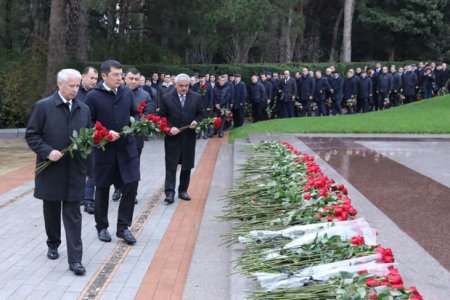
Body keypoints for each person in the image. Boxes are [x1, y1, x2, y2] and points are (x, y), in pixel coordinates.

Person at [25, 69, 90, 275]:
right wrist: (47, 152)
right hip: (52, 169)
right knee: (51, 210)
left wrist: (88, 170)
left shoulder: (84, 108)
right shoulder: (43, 107)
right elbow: (32, 135)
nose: (75, 89)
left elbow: (88, 140)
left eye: (78, 85)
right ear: (60, 84)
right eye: (71, 85)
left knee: (73, 215)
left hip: (75, 171)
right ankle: (53, 243)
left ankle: (75, 260)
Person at [85, 60, 140, 245]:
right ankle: (102, 226)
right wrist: (104, 133)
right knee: (102, 188)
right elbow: (88, 122)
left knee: (131, 185)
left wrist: (135, 124)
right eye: (115, 75)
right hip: (104, 151)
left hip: (126, 149)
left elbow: (135, 113)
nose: (120, 78)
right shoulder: (93, 96)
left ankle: (123, 227)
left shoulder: (126, 92)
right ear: (104, 76)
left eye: (120, 74)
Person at [159, 73, 203, 204]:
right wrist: (169, 127)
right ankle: (169, 193)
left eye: (186, 86)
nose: (184, 88)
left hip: (189, 137)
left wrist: (196, 121)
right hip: (172, 138)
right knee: (171, 166)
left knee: (186, 166)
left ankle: (183, 190)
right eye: (181, 86)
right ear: (175, 85)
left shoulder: (196, 97)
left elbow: (201, 113)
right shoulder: (167, 98)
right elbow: (162, 117)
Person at [75, 66, 98, 214]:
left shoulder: (98, 93)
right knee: (78, 169)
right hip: (76, 137)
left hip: (94, 137)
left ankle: (89, 199)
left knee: (93, 169)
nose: (94, 81)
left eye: (96, 79)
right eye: (91, 78)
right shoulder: (74, 92)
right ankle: (79, 196)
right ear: (83, 77)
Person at [192, 74, 214, 138]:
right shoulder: (195, 85)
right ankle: (198, 133)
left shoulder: (209, 85)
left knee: (205, 120)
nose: (201, 79)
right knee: (198, 119)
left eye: (203, 78)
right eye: (200, 78)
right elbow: (192, 95)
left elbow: (211, 96)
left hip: (206, 105)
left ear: (205, 78)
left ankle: (205, 133)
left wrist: (210, 106)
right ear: (198, 78)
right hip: (197, 105)